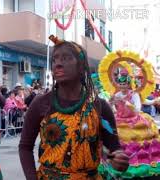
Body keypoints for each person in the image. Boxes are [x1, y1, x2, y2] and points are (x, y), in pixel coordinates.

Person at [19, 35, 129, 180]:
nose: (57, 64)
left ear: (81, 66)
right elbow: (25, 147)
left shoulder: (100, 106)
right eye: (54, 60)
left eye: (65, 58)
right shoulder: (41, 103)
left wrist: (119, 160)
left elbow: (115, 149)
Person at [101, 71, 160, 179]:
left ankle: (139, 161)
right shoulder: (117, 94)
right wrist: (111, 103)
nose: (122, 86)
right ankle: (115, 160)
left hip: (133, 119)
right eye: (120, 84)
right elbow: (111, 107)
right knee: (114, 135)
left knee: (137, 137)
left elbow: (137, 109)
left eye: (125, 84)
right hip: (120, 119)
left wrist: (126, 103)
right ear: (118, 84)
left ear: (128, 84)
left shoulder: (134, 94)